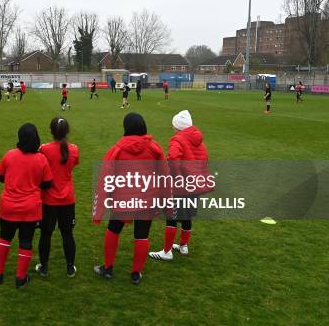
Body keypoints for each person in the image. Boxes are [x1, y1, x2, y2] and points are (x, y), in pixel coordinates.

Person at [93, 113, 166, 285]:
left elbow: (105, 178)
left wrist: (98, 211)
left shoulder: (117, 149)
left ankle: (108, 268)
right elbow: (165, 175)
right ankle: (135, 274)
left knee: (113, 230)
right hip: (147, 200)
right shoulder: (155, 148)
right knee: (142, 236)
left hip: (122, 199)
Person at [0, 123, 53, 288]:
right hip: (30, 207)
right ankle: (20, 278)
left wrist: (14, 180)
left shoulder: (10, 155)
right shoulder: (41, 159)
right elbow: (47, 183)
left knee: (4, 237)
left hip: (9, 205)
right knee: (26, 241)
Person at [149, 110, 208, 261]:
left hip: (180, 186)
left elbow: (173, 159)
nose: (173, 128)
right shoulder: (199, 141)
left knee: (171, 216)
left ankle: (167, 251)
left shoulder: (177, 140)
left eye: (174, 126)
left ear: (179, 127)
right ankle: (183, 246)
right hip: (194, 185)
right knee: (187, 215)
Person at [36, 117, 80, 278]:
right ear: (67, 131)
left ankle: (44, 267)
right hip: (68, 198)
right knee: (67, 233)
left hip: (48, 199)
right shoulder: (74, 149)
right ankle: (70, 268)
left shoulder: (44, 149)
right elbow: (72, 166)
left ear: (51, 131)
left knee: (46, 234)